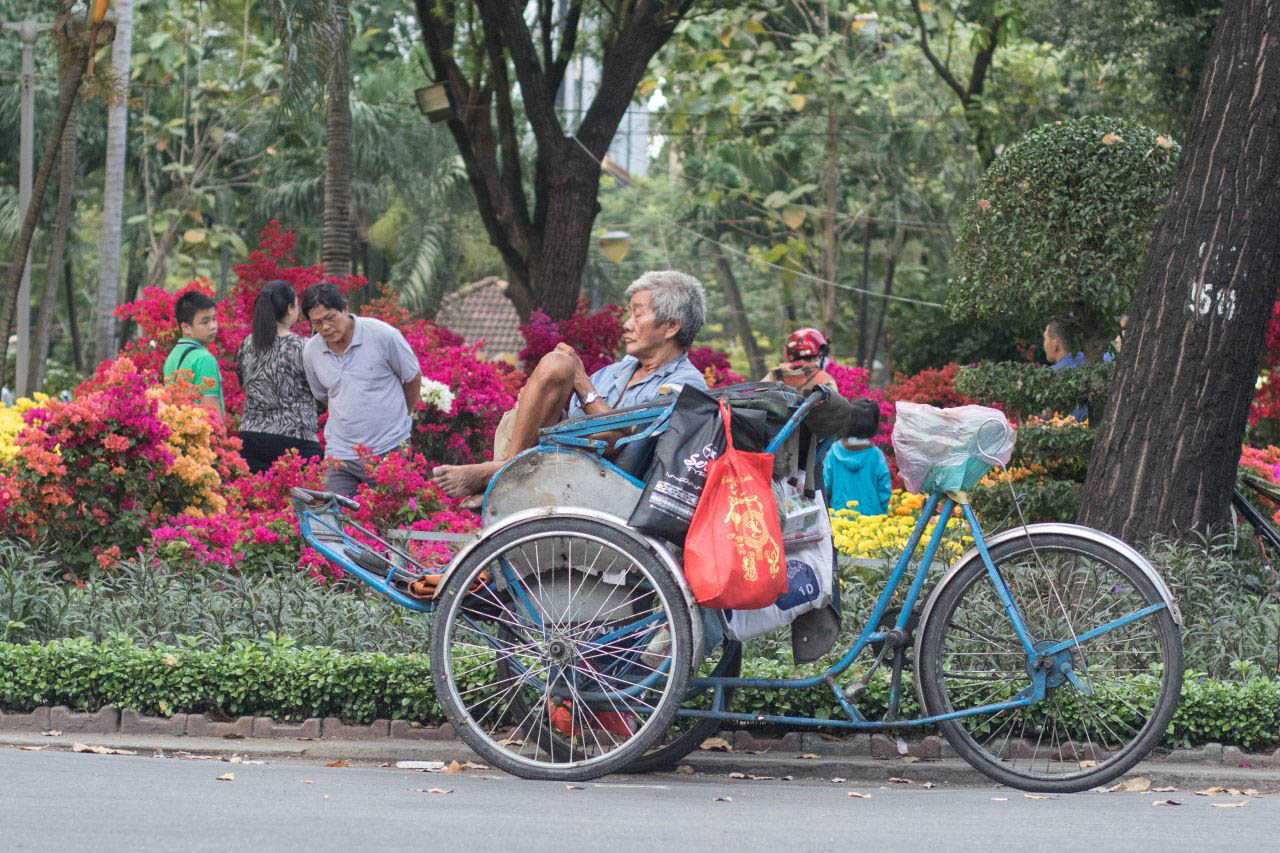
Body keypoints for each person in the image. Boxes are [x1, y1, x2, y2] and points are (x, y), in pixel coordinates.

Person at [432, 270, 710, 499]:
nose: (626, 325)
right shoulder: (613, 372)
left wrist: (582, 383)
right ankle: (507, 472)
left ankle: (500, 475)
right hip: (560, 467)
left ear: (671, 326)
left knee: (599, 419)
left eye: (638, 316)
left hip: (613, 486)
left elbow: (629, 444)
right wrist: (537, 399)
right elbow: (574, 424)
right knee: (557, 364)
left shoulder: (686, 384)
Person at [302, 282, 422, 497]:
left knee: (393, 512)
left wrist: (404, 413)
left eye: (330, 318)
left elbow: (412, 377)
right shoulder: (311, 351)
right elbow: (324, 396)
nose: (325, 327)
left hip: (389, 446)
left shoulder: (383, 335)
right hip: (340, 452)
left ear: (345, 309)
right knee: (331, 511)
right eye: (317, 322)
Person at [235, 280, 322, 474]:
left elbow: (242, 380)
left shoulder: (247, 344)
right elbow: (320, 390)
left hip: (251, 437)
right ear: (290, 309)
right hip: (296, 439)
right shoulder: (303, 346)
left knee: (255, 492)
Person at [823, 398, 891, 516]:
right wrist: (882, 514)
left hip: (840, 517)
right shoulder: (876, 455)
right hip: (872, 519)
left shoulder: (834, 451)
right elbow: (884, 491)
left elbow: (825, 485)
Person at [163, 291, 224, 417]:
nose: (213, 326)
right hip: (202, 428)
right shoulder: (205, 359)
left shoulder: (172, 356)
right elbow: (212, 411)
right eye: (205, 322)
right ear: (186, 328)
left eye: (214, 319)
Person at [763, 327, 838, 393]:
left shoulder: (774, 375)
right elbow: (837, 403)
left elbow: (757, 395)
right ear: (819, 354)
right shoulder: (824, 379)